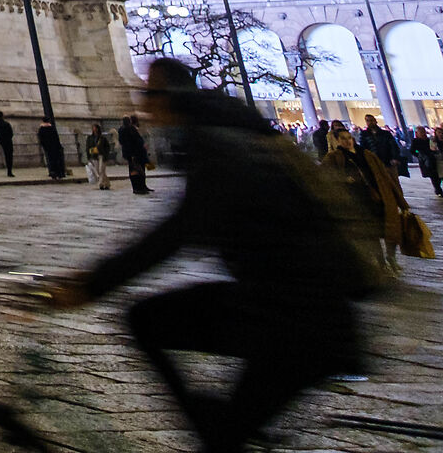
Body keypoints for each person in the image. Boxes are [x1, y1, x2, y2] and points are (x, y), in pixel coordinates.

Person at [48, 59, 379, 453]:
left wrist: (91, 285)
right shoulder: (230, 132)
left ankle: (210, 423)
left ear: (171, 98)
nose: (145, 105)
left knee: (146, 320)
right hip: (296, 309)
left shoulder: (215, 144)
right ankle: (214, 423)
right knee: (223, 423)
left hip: (297, 320)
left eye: (149, 94)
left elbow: (179, 232)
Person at [324, 122, 408, 276]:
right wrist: (343, 179)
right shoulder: (334, 158)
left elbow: (385, 178)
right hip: (357, 201)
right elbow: (325, 177)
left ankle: (391, 258)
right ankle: (381, 262)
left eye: (349, 137)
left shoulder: (367, 154)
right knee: (372, 234)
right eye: (343, 138)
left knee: (391, 230)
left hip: (379, 197)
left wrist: (401, 202)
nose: (348, 141)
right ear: (337, 141)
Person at [118, 113, 154, 195]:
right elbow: (137, 140)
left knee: (134, 170)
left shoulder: (121, 129)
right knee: (138, 170)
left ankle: (139, 187)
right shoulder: (131, 129)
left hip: (130, 154)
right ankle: (139, 187)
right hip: (135, 153)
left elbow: (121, 141)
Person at [84, 121, 114, 190]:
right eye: (93, 128)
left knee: (101, 170)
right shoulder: (90, 138)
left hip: (102, 156)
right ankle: (107, 183)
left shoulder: (102, 138)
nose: (94, 129)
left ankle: (101, 184)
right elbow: (87, 147)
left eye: (95, 128)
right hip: (94, 156)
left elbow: (107, 147)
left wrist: (105, 154)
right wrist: (88, 157)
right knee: (98, 171)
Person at [0, 110, 15, 176]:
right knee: (9, 156)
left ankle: (8, 170)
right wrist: (8, 139)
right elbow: (11, 133)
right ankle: (9, 171)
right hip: (8, 141)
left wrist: (0, 141)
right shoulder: (7, 124)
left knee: (6, 156)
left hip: (3, 142)